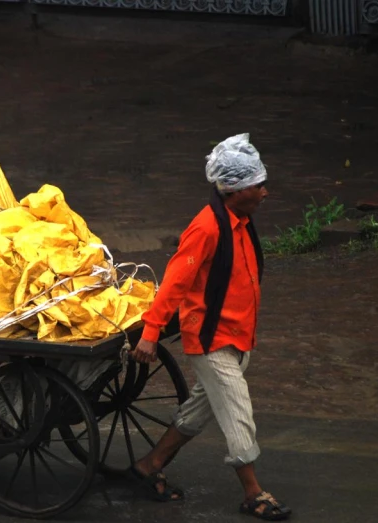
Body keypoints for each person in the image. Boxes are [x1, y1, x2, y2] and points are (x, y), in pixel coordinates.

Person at [127, 134, 292, 521]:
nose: (265, 193)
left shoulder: (241, 221)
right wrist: (150, 334)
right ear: (235, 191)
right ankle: (253, 493)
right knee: (237, 411)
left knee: (201, 409)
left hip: (238, 336)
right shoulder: (207, 228)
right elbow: (174, 284)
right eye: (258, 186)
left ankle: (150, 465)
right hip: (212, 339)